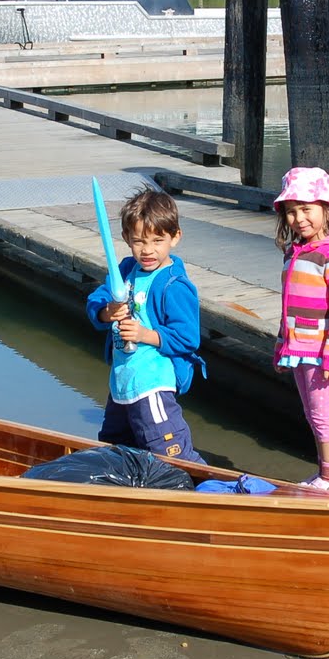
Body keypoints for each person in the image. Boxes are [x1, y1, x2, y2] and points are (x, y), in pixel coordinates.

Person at [85, 187, 206, 464]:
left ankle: (213, 495)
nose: (148, 250)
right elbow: (95, 302)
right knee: (115, 448)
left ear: (175, 237)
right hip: (122, 382)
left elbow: (188, 338)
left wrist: (144, 334)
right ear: (127, 238)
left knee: (171, 452)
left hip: (152, 383)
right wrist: (107, 312)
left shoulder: (175, 285)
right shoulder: (126, 270)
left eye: (157, 240)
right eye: (139, 241)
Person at [272, 167, 329, 493]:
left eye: (306, 209)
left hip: (322, 351)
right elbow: (288, 307)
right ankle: (325, 473)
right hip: (299, 347)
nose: (299, 218)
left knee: (323, 416)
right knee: (311, 413)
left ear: (327, 209)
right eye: (291, 212)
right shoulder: (295, 252)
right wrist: (281, 345)